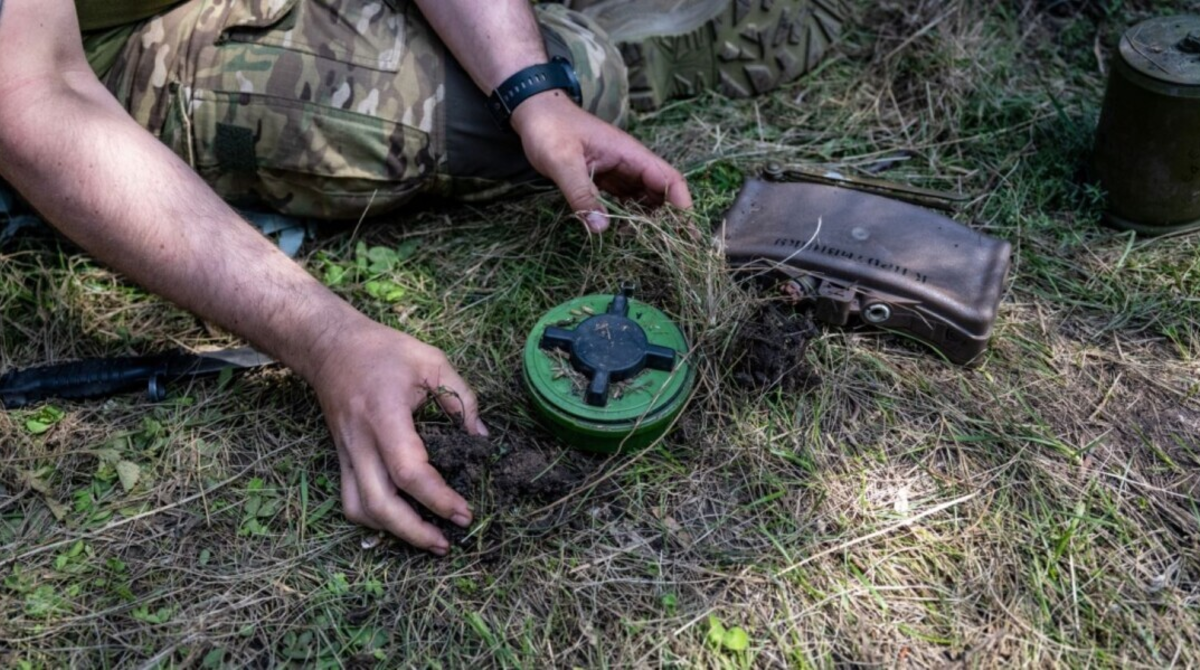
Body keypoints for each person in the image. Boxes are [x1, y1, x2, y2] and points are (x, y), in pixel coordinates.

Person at [0, 0, 843, 554]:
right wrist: (329, 337)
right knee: (511, 90)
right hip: (54, 57)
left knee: (542, 78)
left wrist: (535, 91)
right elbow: (36, 93)